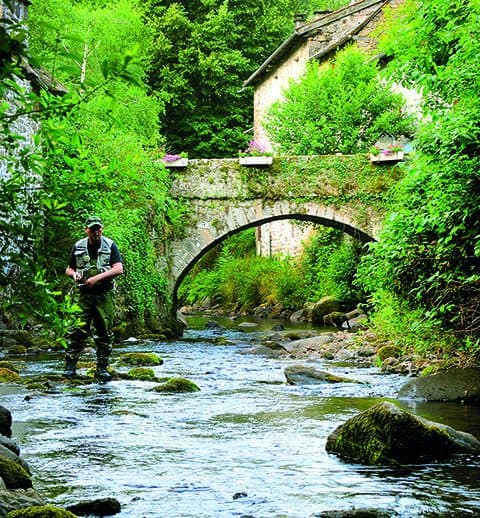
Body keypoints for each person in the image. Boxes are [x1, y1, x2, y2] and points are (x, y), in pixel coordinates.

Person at [64, 216, 123, 382]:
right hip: (83, 295)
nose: (96, 232)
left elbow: (118, 269)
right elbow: (69, 268)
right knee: (76, 330)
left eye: (98, 229)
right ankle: (70, 367)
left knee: (104, 332)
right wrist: (74, 274)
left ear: (101, 230)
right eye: (92, 229)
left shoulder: (110, 245)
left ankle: (102, 368)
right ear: (87, 230)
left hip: (104, 295)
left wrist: (97, 278)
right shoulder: (78, 246)